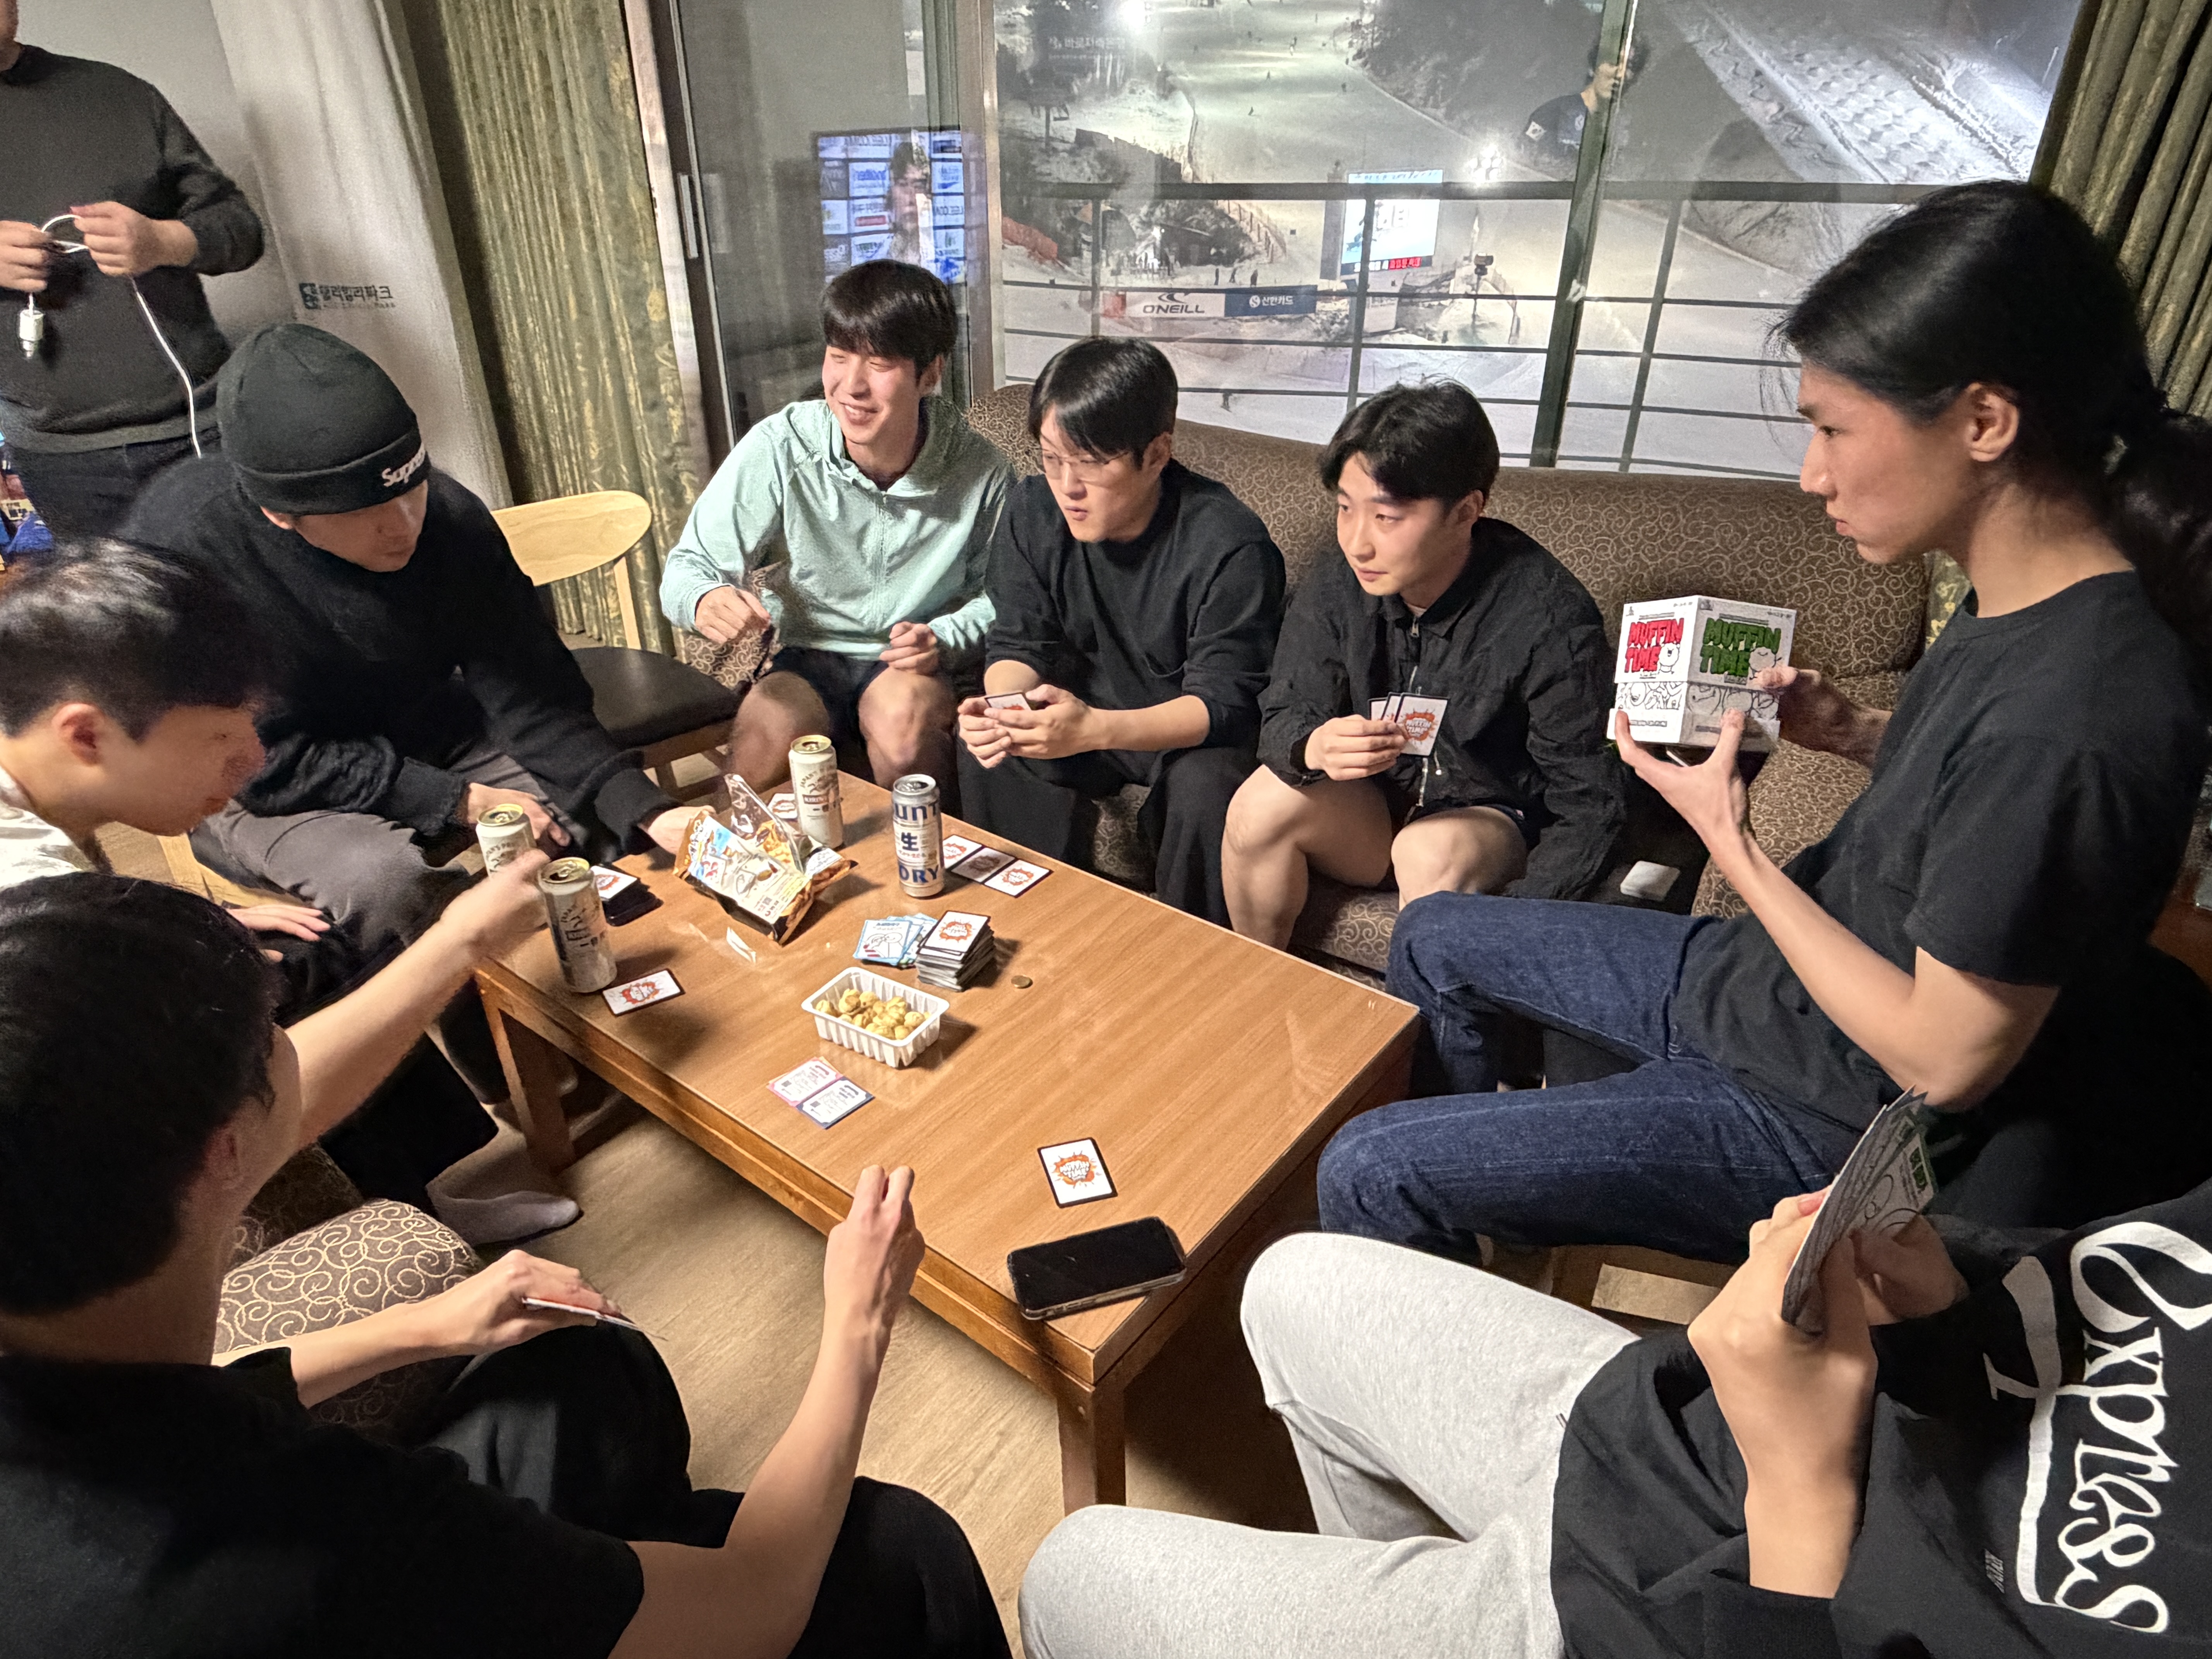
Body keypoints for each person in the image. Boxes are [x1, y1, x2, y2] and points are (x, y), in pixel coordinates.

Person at [1321, 180, 2212, 1268]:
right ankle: (1476, 1244)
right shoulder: (2022, 601)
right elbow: (1982, 810)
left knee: (1369, 1163)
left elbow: (1945, 1060)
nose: (1812, 474)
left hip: (1827, 1110)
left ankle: (1451, 1259)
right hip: (1762, 991)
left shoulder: (2082, 709)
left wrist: (1729, 839)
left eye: (1833, 428)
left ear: (1985, 422)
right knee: (1433, 933)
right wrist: (1856, 731)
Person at [0, 873, 1009, 1659]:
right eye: (275, 1033)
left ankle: (621, 1578)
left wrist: (428, 1326)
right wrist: (859, 1321)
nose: (294, 1042)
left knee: (585, 1360)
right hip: (390, 1606)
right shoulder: (318, 1535)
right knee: (903, 1546)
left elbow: (190, 1404)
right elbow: (759, 1605)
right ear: (223, 1152)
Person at [1021, 1175, 2212, 1656]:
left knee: (1073, 1568)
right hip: (1674, 1443)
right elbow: (2059, 1303)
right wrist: (1945, 1306)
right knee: (1292, 1281)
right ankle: (1440, 1580)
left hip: (1709, 1618)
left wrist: (1796, 1497)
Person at [123, 323, 694, 1115]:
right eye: (367, 510)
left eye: (410, 486)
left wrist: (653, 813)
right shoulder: (186, 547)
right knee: (388, 883)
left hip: (425, 726)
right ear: (282, 514)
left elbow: (535, 695)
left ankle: (610, 1015)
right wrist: (455, 801)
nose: (402, 524)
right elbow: (258, 761)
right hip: (265, 775)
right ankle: (511, 1076)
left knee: (576, 812)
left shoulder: (448, 518)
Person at [0, 541, 576, 1241]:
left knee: (309, 949)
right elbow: (240, 1129)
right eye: (220, 735)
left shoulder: (32, 785)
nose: (252, 760)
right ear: (87, 735)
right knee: (287, 1010)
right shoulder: (31, 907)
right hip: (70, 1200)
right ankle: (354, 1242)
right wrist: (463, 940)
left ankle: (413, 1207)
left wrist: (194, 920)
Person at [1223, 383, 1622, 949]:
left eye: (1386, 517)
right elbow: (1285, 709)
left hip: (1485, 819)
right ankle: (1260, 984)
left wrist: (1517, 925)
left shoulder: (1548, 617)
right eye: (1345, 508)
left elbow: (1590, 801)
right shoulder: (1340, 579)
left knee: (1425, 852)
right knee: (1258, 805)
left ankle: (1413, 1005)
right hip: (1373, 806)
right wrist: (1314, 746)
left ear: (1466, 511)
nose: (1357, 543)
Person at [956, 338, 1285, 924]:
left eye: (1091, 464)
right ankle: (1023, 928)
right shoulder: (1034, 509)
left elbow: (1224, 705)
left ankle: (1187, 953)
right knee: (992, 744)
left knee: (1210, 788)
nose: (1068, 486)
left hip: (1183, 737)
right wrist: (1002, 710)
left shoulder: (1229, 545)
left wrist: (1094, 729)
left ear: (1157, 454)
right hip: (1079, 716)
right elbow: (1020, 641)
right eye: (1052, 459)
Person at [661, 259, 1010, 793]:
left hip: (910, 664)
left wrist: (942, 636)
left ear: (930, 373)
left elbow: (1007, 595)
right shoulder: (782, 446)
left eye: (879, 364)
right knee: (755, 757)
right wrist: (704, 597)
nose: (851, 386)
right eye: (838, 357)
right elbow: (689, 567)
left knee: (903, 736)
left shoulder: (980, 470)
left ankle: (926, 847)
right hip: (809, 656)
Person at [0, 0, 264, 537]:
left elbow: (241, 230)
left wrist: (164, 241)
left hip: (198, 427)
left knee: (246, 589)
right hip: (60, 458)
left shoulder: (118, 95)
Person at [1518, 38, 1648, 172]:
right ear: (1594, 66)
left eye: (1630, 66)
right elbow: (1522, 157)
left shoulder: (1632, 133)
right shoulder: (1553, 113)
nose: (1621, 73)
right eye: (1614, 62)